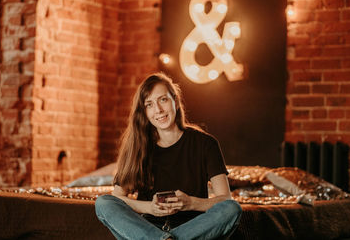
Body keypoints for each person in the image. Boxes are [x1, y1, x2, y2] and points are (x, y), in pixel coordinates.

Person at [95, 72, 242, 239]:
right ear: (144, 112)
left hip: (193, 227)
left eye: (163, 100)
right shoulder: (138, 146)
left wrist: (191, 203)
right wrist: (150, 208)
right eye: (149, 104)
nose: (158, 110)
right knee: (103, 203)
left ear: (176, 102)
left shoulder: (206, 144)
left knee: (232, 209)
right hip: (147, 227)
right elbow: (118, 197)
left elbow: (225, 199)